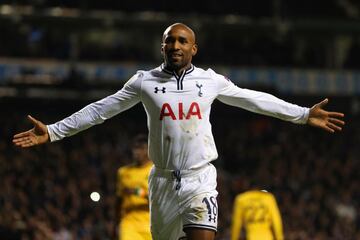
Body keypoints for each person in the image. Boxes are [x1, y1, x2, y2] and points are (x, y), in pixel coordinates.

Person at [13, 23, 345, 240]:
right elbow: (102, 109)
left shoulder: (210, 80)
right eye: (169, 40)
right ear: (162, 48)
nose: (175, 45)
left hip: (199, 180)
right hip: (161, 183)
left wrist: (302, 114)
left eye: (182, 41)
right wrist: (54, 131)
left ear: (193, 49)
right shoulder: (144, 82)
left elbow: (253, 100)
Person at [115, 134, 152, 240]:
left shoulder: (154, 171)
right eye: (135, 148)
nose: (137, 152)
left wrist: (138, 192)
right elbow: (119, 200)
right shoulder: (123, 172)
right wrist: (115, 223)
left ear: (149, 150)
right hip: (129, 222)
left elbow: (159, 201)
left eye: (141, 148)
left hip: (149, 222)